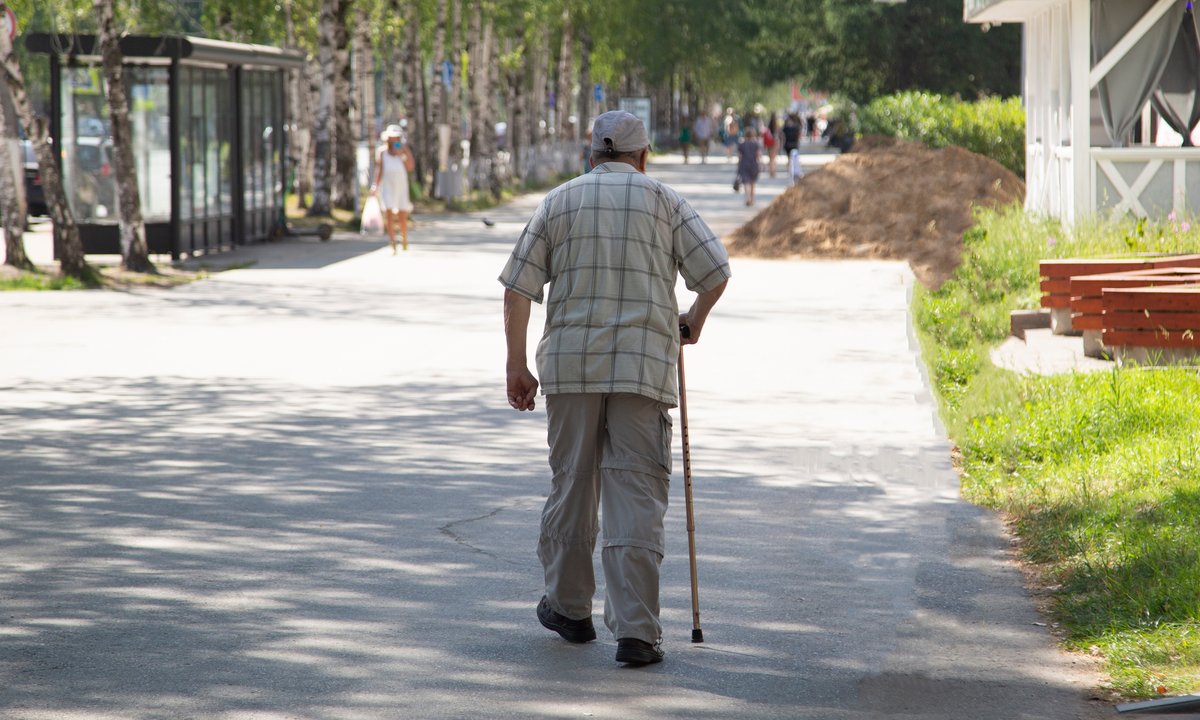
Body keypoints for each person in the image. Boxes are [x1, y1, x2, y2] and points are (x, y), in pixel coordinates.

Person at [499, 110, 730, 667]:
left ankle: (570, 609)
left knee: (573, 484)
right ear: (643, 156)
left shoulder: (559, 201)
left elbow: (518, 289)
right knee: (635, 492)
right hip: (643, 370)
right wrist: (692, 321)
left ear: (592, 155)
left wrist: (515, 365)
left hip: (571, 370)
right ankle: (637, 632)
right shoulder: (665, 201)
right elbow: (716, 270)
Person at [371, 124, 416, 254]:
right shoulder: (382, 151)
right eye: (392, 137)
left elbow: (410, 167)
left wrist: (402, 153)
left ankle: (404, 239)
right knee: (389, 213)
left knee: (402, 214)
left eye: (396, 137)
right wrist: (375, 185)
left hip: (401, 185)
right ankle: (392, 243)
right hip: (387, 185)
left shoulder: (403, 150)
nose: (394, 140)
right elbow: (379, 170)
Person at [737, 127, 761, 206]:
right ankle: (752, 199)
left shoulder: (741, 144)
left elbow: (740, 156)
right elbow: (758, 155)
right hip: (754, 165)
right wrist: (761, 164)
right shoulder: (756, 144)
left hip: (744, 164)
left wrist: (738, 165)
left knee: (746, 183)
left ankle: (747, 198)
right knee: (753, 183)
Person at [764, 112, 779, 178]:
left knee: (770, 159)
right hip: (774, 144)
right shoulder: (775, 126)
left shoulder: (769, 126)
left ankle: (771, 171)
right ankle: (773, 171)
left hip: (769, 145)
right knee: (773, 159)